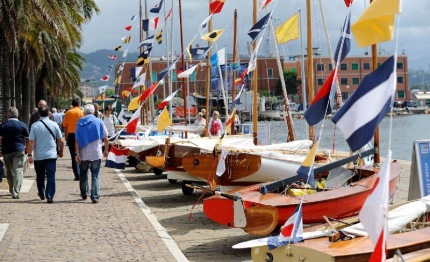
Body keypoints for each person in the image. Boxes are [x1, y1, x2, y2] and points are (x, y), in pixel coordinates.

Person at [27, 105, 64, 203]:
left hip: (39, 156)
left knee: (40, 176)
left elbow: (31, 142)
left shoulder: (34, 126)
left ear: (38, 114)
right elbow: (60, 141)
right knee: (51, 175)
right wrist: (61, 151)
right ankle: (50, 195)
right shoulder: (54, 124)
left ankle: (41, 192)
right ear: (48, 114)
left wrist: (30, 155)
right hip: (51, 155)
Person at [75, 104, 109, 204]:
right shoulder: (99, 121)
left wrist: (76, 153)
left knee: (83, 174)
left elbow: (76, 140)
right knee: (95, 175)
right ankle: (95, 196)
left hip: (83, 153)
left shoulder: (79, 122)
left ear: (84, 112)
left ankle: (84, 193)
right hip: (96, 153)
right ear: (94, 111)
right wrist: (106, 150)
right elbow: (106, 138)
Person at [0, 107, 29, 199]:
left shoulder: (3, 125)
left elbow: (0, 139)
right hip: (19, 149)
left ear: (8, 114)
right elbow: (28, 138)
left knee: (9, 171)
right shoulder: (22, 125)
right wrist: (27, 148)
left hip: (7, 150)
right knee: (18, 170)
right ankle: (16, 192)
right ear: (17, 115)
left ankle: (11, 188)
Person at [63, 98, 84, 181]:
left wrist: (66, 136)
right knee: (82, 154)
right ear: (79, 104)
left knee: (73, 155)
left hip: (71, 135)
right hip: (81, 135)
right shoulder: (82, 113)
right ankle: (82, 173)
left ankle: (77, 175)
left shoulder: (68, 112)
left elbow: (65, 126)